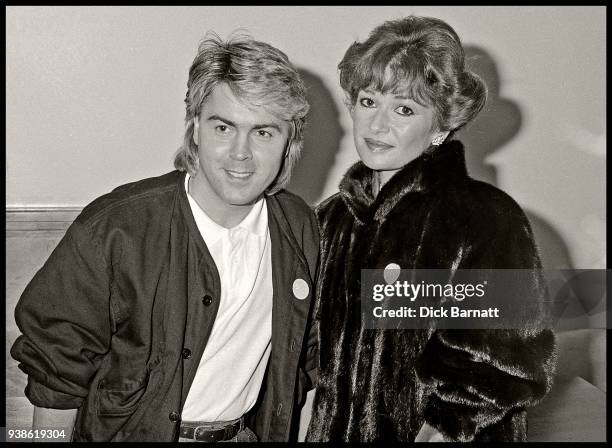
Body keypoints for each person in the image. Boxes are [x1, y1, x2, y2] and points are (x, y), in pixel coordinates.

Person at [11, 32, 318, 442]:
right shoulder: (116, 228)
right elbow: (56, 375)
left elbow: (306, 363)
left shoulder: (300, 227)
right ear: (195, 129)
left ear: (289, 142)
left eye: (264, 132)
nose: (240, 153)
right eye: (223, 127)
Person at [306, 16, 556, 442]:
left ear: (441, 125)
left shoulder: (482, 216)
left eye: (404, 109)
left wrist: (445, 425)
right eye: (369, 101)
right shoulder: (329, 220)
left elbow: (509, 359)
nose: (378, 125)